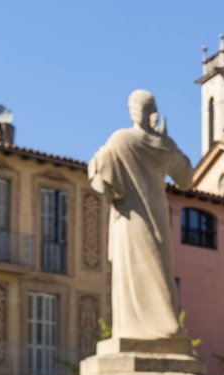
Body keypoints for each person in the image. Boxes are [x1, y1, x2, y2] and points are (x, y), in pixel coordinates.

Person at [88, 89, 194, 342]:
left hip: (128, 221)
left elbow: (100, 174)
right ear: (153, 111)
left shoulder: (120, 140)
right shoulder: (163, 145)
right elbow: (186, 179)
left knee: (129, 278)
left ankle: (130, 330)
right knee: (159, 274)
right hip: (156, 220)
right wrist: (166, 142)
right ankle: (167, 327)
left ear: (133, 111)